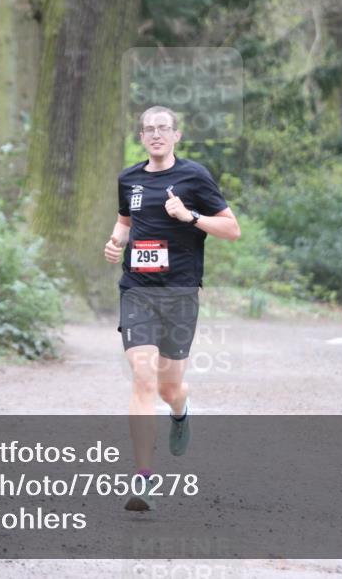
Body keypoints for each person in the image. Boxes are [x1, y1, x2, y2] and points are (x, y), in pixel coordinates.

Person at [103, 105, 240, 512]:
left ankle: (180, 410)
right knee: (142, 379)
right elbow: (125, 222)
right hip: (138, 292)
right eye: (149, 129)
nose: (156, 134)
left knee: (168, 388)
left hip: (179, 293)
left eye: (164, 128)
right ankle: (144, 478)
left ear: (177, 136)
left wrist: (190, 215)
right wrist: (115, 242)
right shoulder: (128, 179)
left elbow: (232, 229)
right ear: (141, 136)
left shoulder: (194, 177)